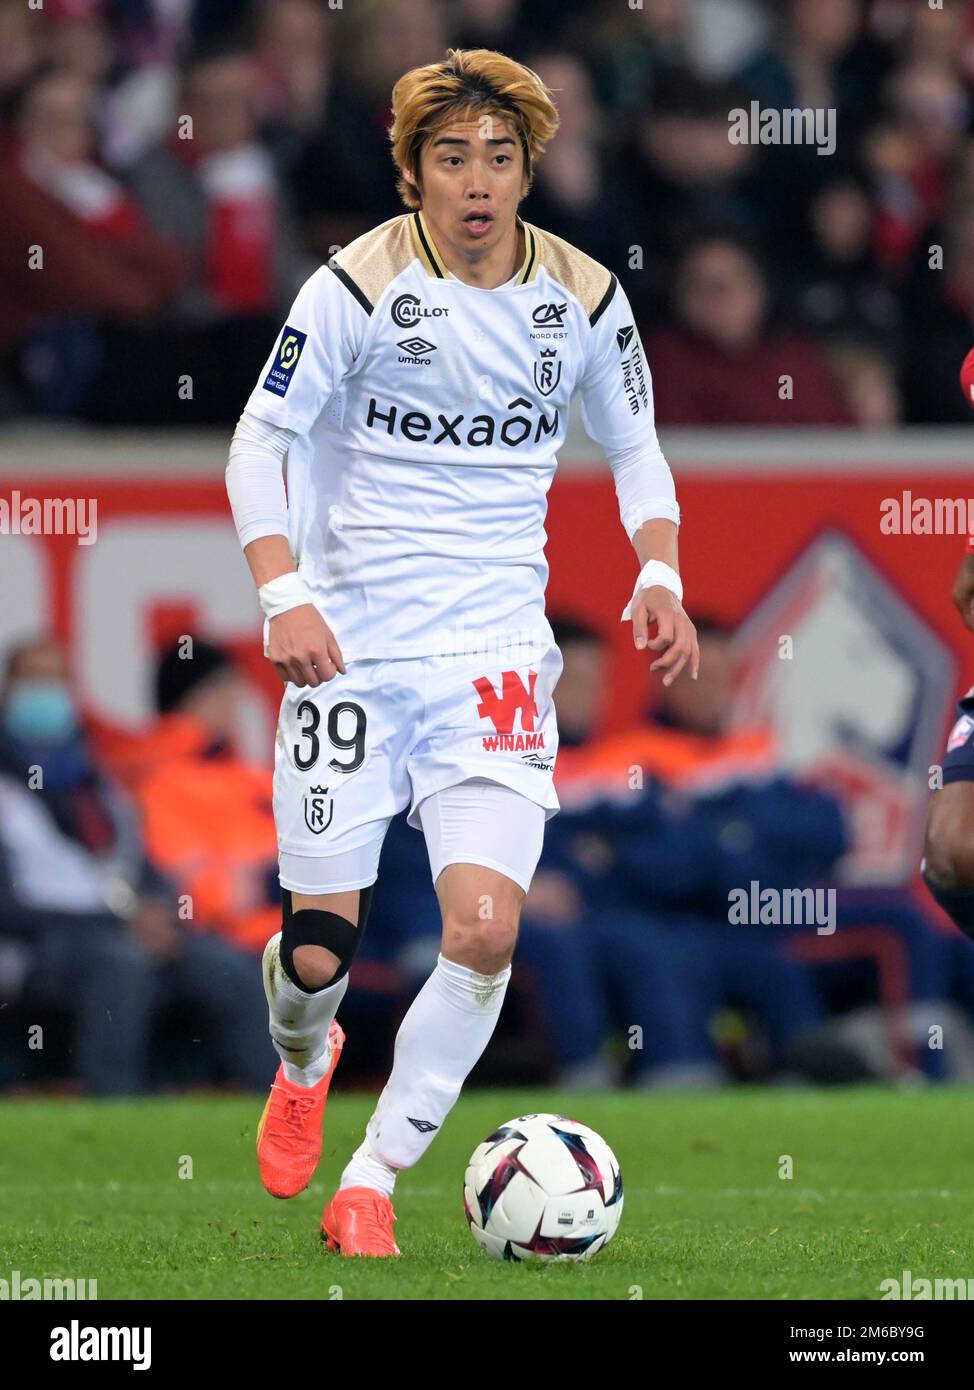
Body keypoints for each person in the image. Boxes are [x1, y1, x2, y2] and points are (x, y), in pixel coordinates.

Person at [225, 46, 698, 1257]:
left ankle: (372, 1178)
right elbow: (256, 443)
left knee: (484, 929)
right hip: (351, 654)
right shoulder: (354, 285)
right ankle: (302, 1053)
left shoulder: (584, 297)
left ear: (529, 172)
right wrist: (282, 594)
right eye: (451, 159)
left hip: (492, 655)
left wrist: (657, 570)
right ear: (411, 176)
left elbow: (636, 450)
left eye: (498, 157)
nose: (477, 180)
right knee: (317, 954)